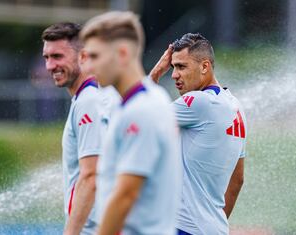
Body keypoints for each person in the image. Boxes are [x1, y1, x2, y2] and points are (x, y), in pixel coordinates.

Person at [80, 11, 181, 235]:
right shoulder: (146, 99)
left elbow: (126, 195)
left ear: (123, 54)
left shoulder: (141, 110)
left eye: (95, 57)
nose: (87, 67)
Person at [150, 33, 247, 235]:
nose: (174, 74)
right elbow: (237, 180)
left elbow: (136, 116)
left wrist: (157, 72)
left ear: (204, 67)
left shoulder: (198, 102)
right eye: (172, 67)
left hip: (183, 227)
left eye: (181, 67)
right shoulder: (237, 108)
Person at [42, 22, 118, 234]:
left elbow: (90, 176)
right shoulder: (101, 94)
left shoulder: (88, 102)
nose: (49, 66)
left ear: (83, 56)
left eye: (57, 56)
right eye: (46, 58)